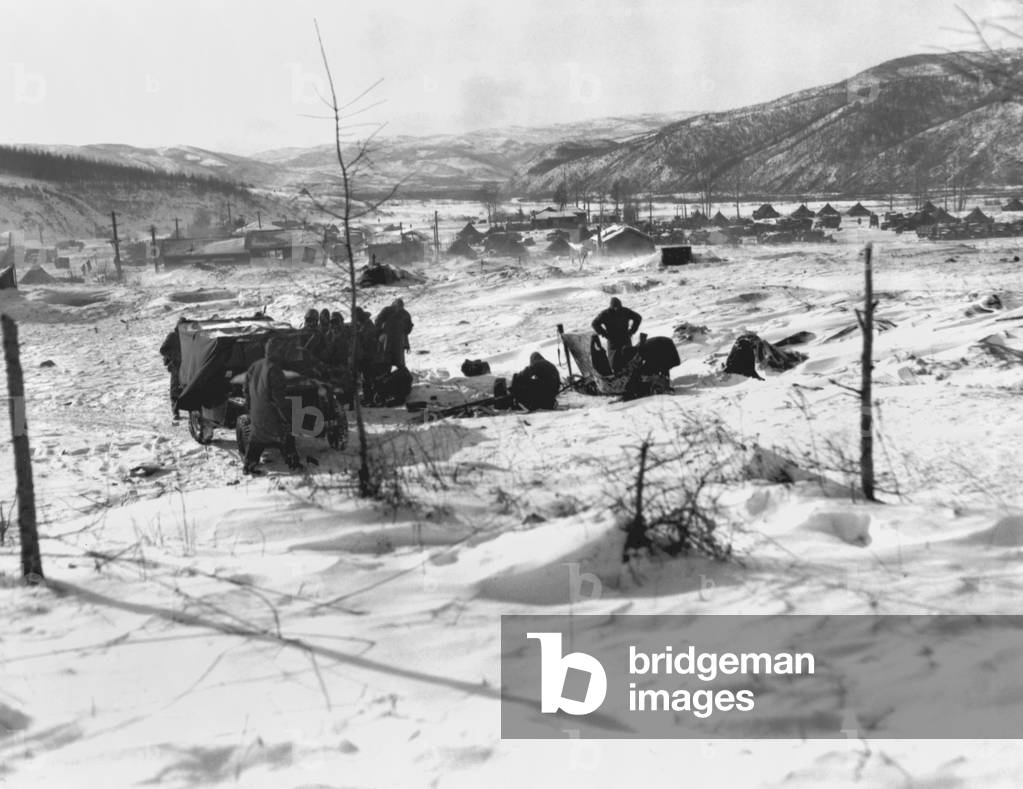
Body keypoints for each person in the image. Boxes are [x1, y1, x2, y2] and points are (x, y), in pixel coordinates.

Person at [242, 335, 300, 474]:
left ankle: (249, 464)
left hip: (257, 417)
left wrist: (251, 408)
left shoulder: (255, 366)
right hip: (271, 420)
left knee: (256, 440)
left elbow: (245, 389)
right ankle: (293, 463)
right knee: (287, 433)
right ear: (278, 352)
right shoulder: (275, 370)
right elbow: (279, 400)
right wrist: (289, 418)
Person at [591, 297, 642, 374]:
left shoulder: (625, 311)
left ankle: (630, 376)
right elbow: (595, 323)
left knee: (628, 359)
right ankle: (617, 376)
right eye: (615, 307)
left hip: (625, 338)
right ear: (611, 307)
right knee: (614, 363)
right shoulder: (605, 314)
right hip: (613, 341)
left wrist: (632, 331)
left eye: (618, 307)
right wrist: (604, 334)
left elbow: (638, 318)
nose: (617, 309)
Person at [159, 317, 188, 420]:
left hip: (187, 365)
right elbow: (162, 350)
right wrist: (173, 357)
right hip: (176, 366)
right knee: (175, 389)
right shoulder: (173, 336)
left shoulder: (188, 336)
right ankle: (176, 412)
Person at [374, 298, 414, 370]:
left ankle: (386, 374)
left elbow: (378, 321)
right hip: (399, 340)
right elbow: (409, 328)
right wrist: (402, 333)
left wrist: (378, 333)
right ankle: (401, 374)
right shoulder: (405, 313)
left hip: (386, 338)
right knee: (399, 362)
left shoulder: (387, 310)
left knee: (386, 360)